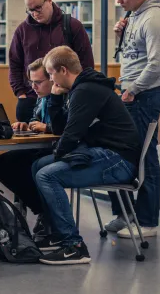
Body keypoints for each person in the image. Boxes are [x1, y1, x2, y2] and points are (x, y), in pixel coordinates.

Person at [32, 46, 140, 265]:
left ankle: (73, 246)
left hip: (118, 160)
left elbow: (72, 135)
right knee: (38, 166)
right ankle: (55, 231)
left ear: (63, 70)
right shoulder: (78, 90)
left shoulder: (86, 90)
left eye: (51, 74)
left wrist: (58, 155)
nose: (51, 79)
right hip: (104, 153)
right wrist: (54, 98)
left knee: (46, 175)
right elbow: (60, 129)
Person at [105, 0, 160, 239]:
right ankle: (126, 214)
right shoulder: (134, 15)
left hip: (144, 95)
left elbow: (157, 66)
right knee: (120, 151)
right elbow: (132, 55)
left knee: (145, 157)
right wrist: (119, 35)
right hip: (132, 92)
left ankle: (147, 221)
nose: (119, 0)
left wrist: (132, 90)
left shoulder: (154, 19)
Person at [0, 58, 67, 238]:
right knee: (0, 164)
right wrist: (27, 125)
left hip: (60, 149)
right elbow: (35, 119)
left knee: (29, 166)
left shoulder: (66, 97)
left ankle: (47, 213)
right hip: (41, 146)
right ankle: (42, 209)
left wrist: (46, 128)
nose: (33, 87)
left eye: (38, 82)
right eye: (31, 82)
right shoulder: (41, 99)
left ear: (53, 79)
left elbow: (69, 127)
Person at [9, 0, 94, 123]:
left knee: (56, 135)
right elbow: (14, 63)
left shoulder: (72, 26)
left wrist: (76, 93)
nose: (35, 13)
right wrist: (21, 93)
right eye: (30, 10)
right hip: (30, 97)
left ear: (49, 0)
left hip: (63, 97)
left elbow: (86, 64)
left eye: (38, 8)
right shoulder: (22, 30)